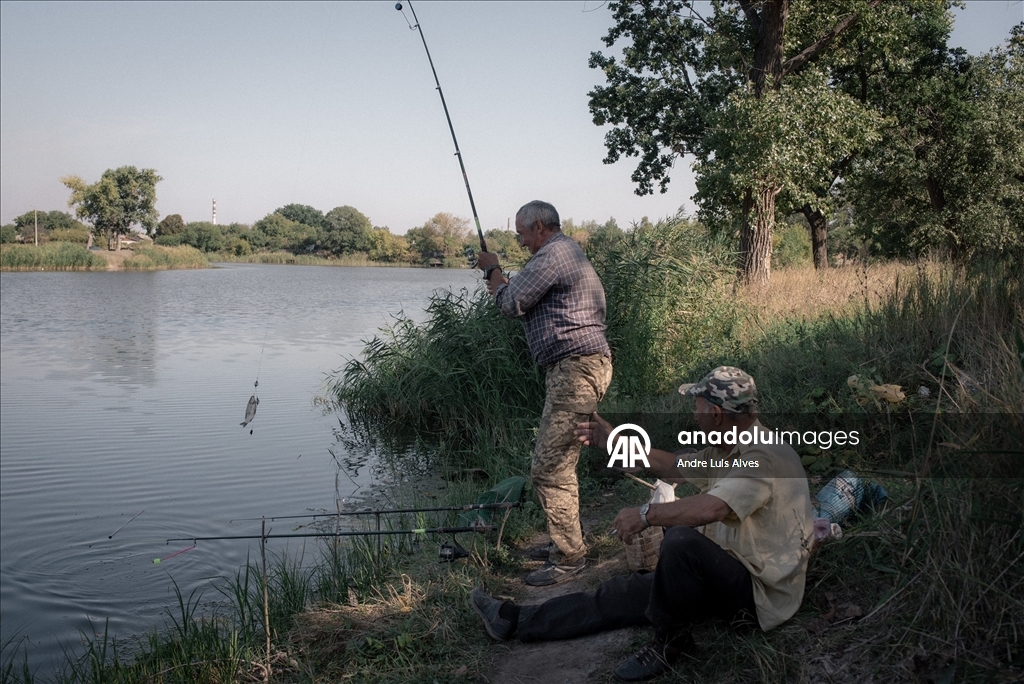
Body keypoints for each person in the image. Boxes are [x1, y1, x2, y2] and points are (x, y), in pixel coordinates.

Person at [470, 366, 815, 681]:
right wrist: (616, 441)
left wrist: (646, 515)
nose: (694, 415)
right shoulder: (728, 444)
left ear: (716, 413)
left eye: (697, 407)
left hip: (756, 596)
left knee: (680, 540)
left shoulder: (762, 456)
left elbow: (711, 509)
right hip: (726, 568)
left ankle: (672, 642)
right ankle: (513, 619)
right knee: (621, 593)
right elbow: (672, 466)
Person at [476, 200, 613, 586]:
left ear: (539, 226)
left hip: (577, 369)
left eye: (521, 233)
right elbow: (517, 295)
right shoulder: (563, 252)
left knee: (549, 467)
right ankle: (564, 544)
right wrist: (498, 277)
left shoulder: (554, 253)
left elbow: (512, 302)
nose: (521, 241)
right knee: (557, 462)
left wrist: (493, 270)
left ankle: (569, 558)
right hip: (576, 368)